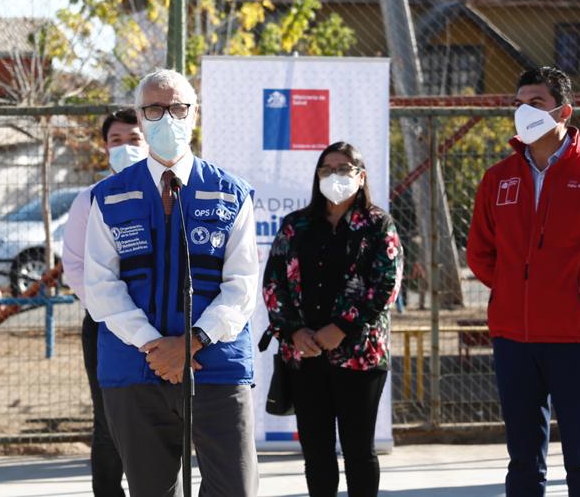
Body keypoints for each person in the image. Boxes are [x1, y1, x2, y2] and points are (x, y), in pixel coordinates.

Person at [467, 66, 580, 497]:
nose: (524, 111)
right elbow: (480, 253)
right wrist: (517, 290)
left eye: (536, 103)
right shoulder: (498, 179)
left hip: (578, 338)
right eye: (518, 103)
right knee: (523, 461)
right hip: (515, 338)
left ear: (564, 111)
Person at [84, 68, 260, 497]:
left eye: (178, 108)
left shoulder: (230, 193)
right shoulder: (108, 197)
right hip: (135, 369)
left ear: (194, 115)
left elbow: (242, 285)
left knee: (235, 489)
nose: (168, 118)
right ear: (141, 120)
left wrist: (192, 342)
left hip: (215, 366)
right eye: (156, 109)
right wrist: (154, 345)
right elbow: (101, 287)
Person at [263, 141, 403, 497]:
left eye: (343, 169)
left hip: (360, 357)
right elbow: (273, 283)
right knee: (316, 454)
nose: (334, 176)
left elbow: (387, 284)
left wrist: (341, 328)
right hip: (305, 355)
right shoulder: (296, 225)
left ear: (361, 176)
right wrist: (294, 331)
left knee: (359, 452)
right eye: (327, 169)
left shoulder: (377, 224)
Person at [62, 108, 148, 497]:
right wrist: (112, 313)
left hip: (164, 327)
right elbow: (75, 267)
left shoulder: (169, 194)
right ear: (105, 148)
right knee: (109, 422)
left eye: (135, 140)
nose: (126, 148)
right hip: (104, 327)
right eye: (117, 141)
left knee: (159, 420)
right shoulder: (89, 199)